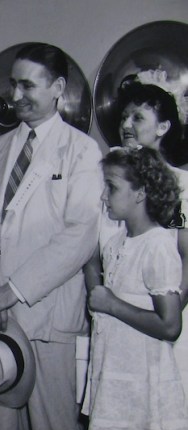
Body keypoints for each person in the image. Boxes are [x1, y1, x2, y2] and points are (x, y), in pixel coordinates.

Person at [0, 43, 103, 430]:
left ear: (58, 88)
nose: (15, 95)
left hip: (48, 317)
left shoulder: (82, 151)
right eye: (14, 84)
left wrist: (12, 291)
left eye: (28, 85)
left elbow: (81, 235)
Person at [82, 146, 188, 430]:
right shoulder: (116, 244)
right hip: (116, 379)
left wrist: (111, 305)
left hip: (144, 383)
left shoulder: (158, 246)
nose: (104, 196)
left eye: (112, 187)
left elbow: (170, 325)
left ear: (140, 192)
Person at [96, 75, 188, 397]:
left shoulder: (179, 186)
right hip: (113, 317)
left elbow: (186, 256)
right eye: (124, 117)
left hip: (160, 316)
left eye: (137, 117)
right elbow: (95, 252)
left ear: (162, 127)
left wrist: (165, 314)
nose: (126, 125)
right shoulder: (111, 183)